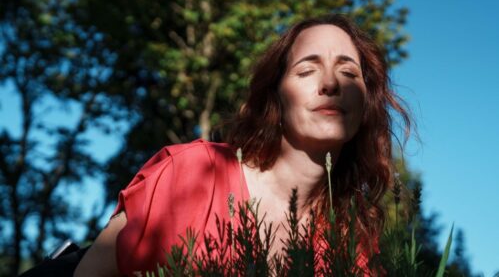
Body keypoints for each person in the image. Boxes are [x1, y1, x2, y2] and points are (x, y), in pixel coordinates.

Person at [74, 14, 411, 276]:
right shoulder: (194, 175)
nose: (330, 83)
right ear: (275, 98)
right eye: (307, 70)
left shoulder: (352, 245)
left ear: (367, 103)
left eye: (349, 74)